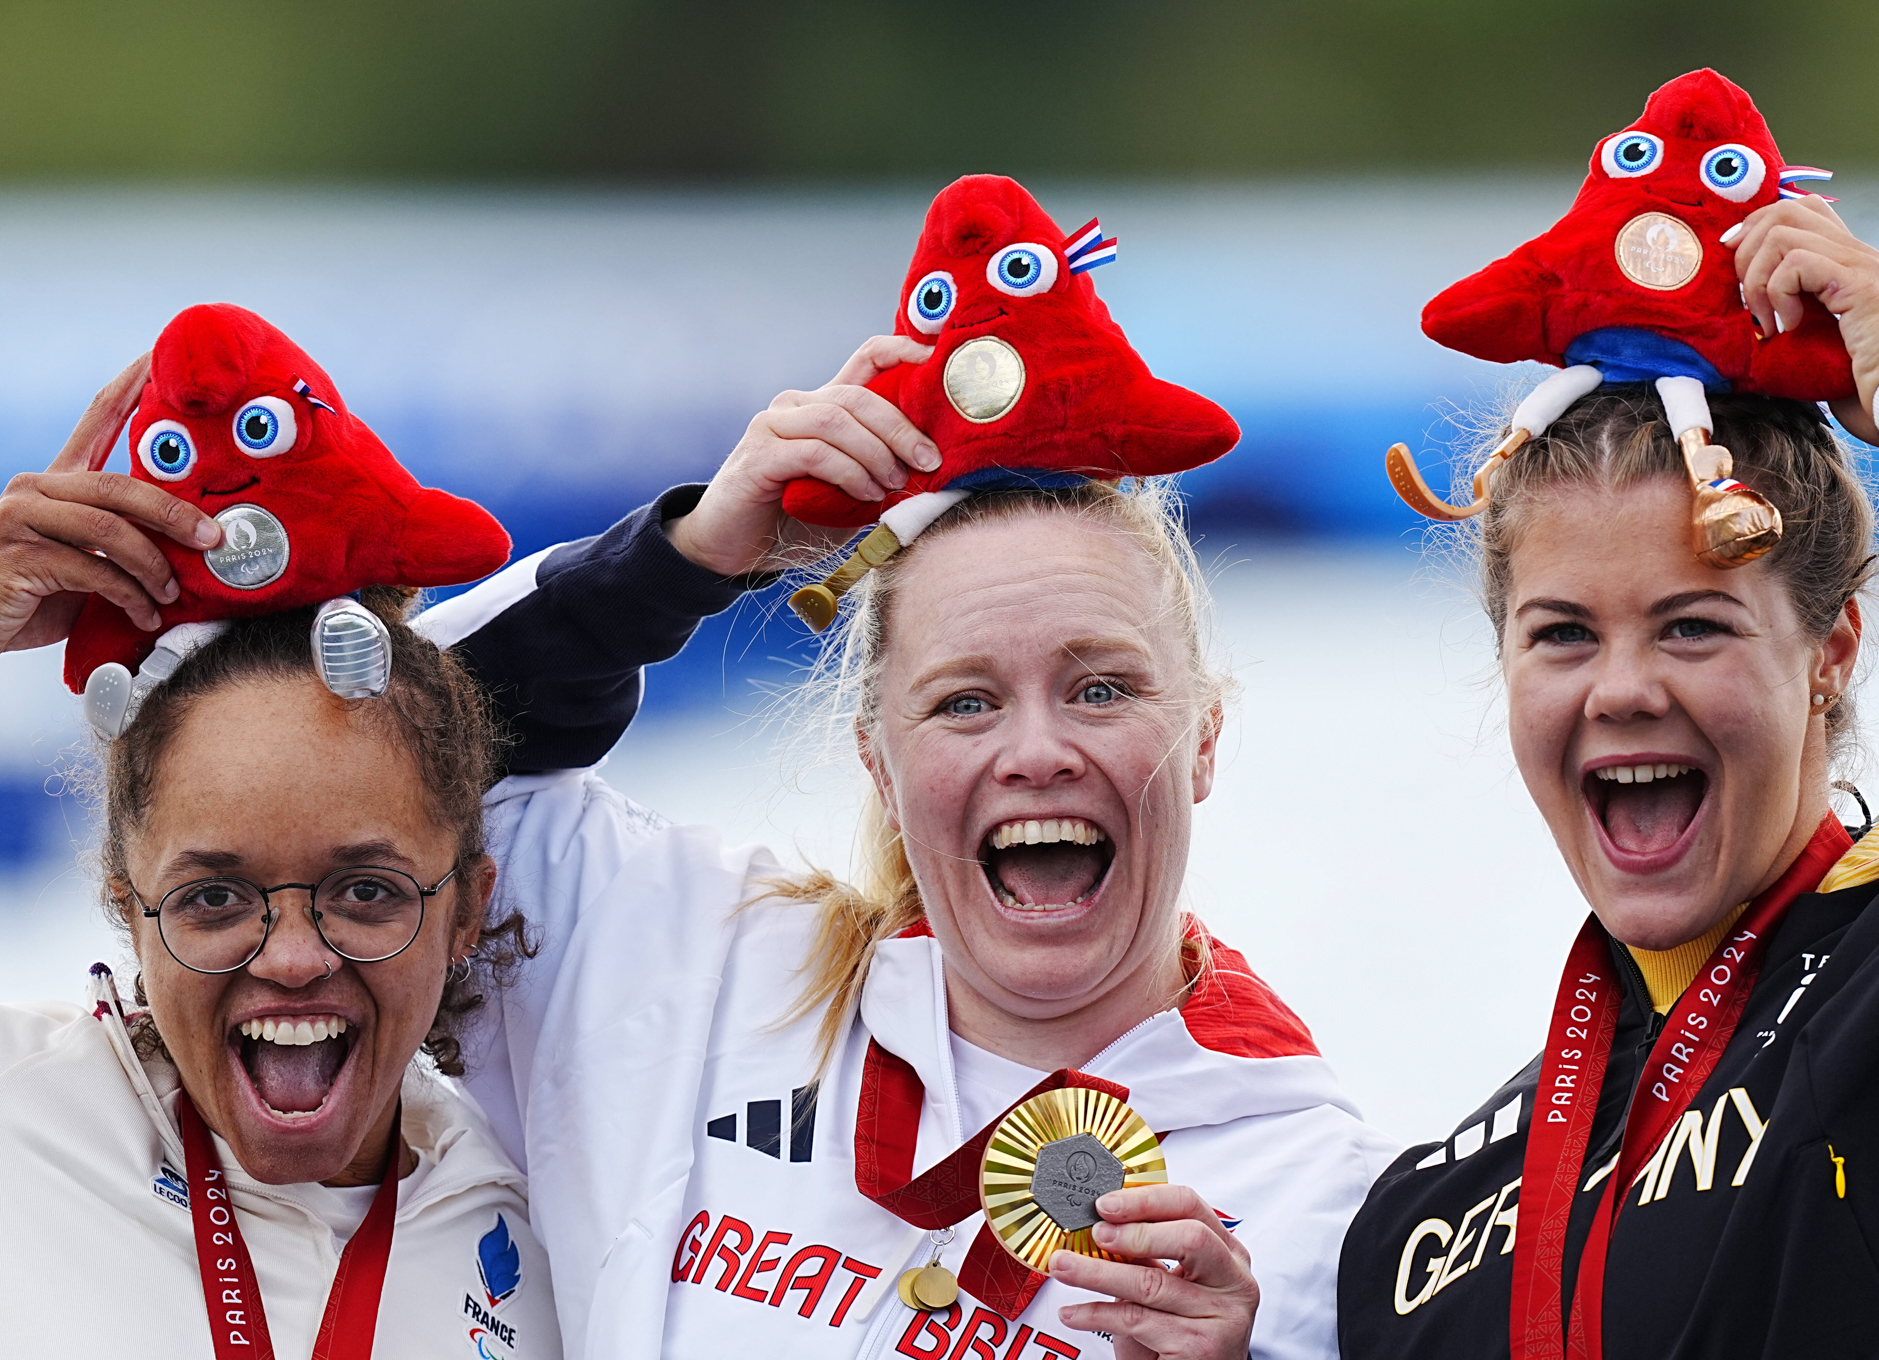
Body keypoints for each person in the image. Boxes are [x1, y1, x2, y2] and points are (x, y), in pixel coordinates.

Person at [444, 177, 1404, 1360]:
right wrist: (688, 556)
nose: (1038, 752)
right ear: (879, 763)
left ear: (1203, 736)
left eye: (1101, 687)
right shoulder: (681, 965)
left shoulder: (1335, 1207)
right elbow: (385, 758)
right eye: (964, 702)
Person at [0, 310, 931, 1354]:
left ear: (469, 911)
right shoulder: (17, 1115)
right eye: (215, 897)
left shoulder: (554, 1224)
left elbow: (438, 703)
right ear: (126, 902)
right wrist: (686, 554)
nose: (296, 956)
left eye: (366, 892)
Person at [1337, 198, 1879, 1357]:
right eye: (1561, 633)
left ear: (1833, 649)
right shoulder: (1418, 1229)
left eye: (1692, 627)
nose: (1620, 688)